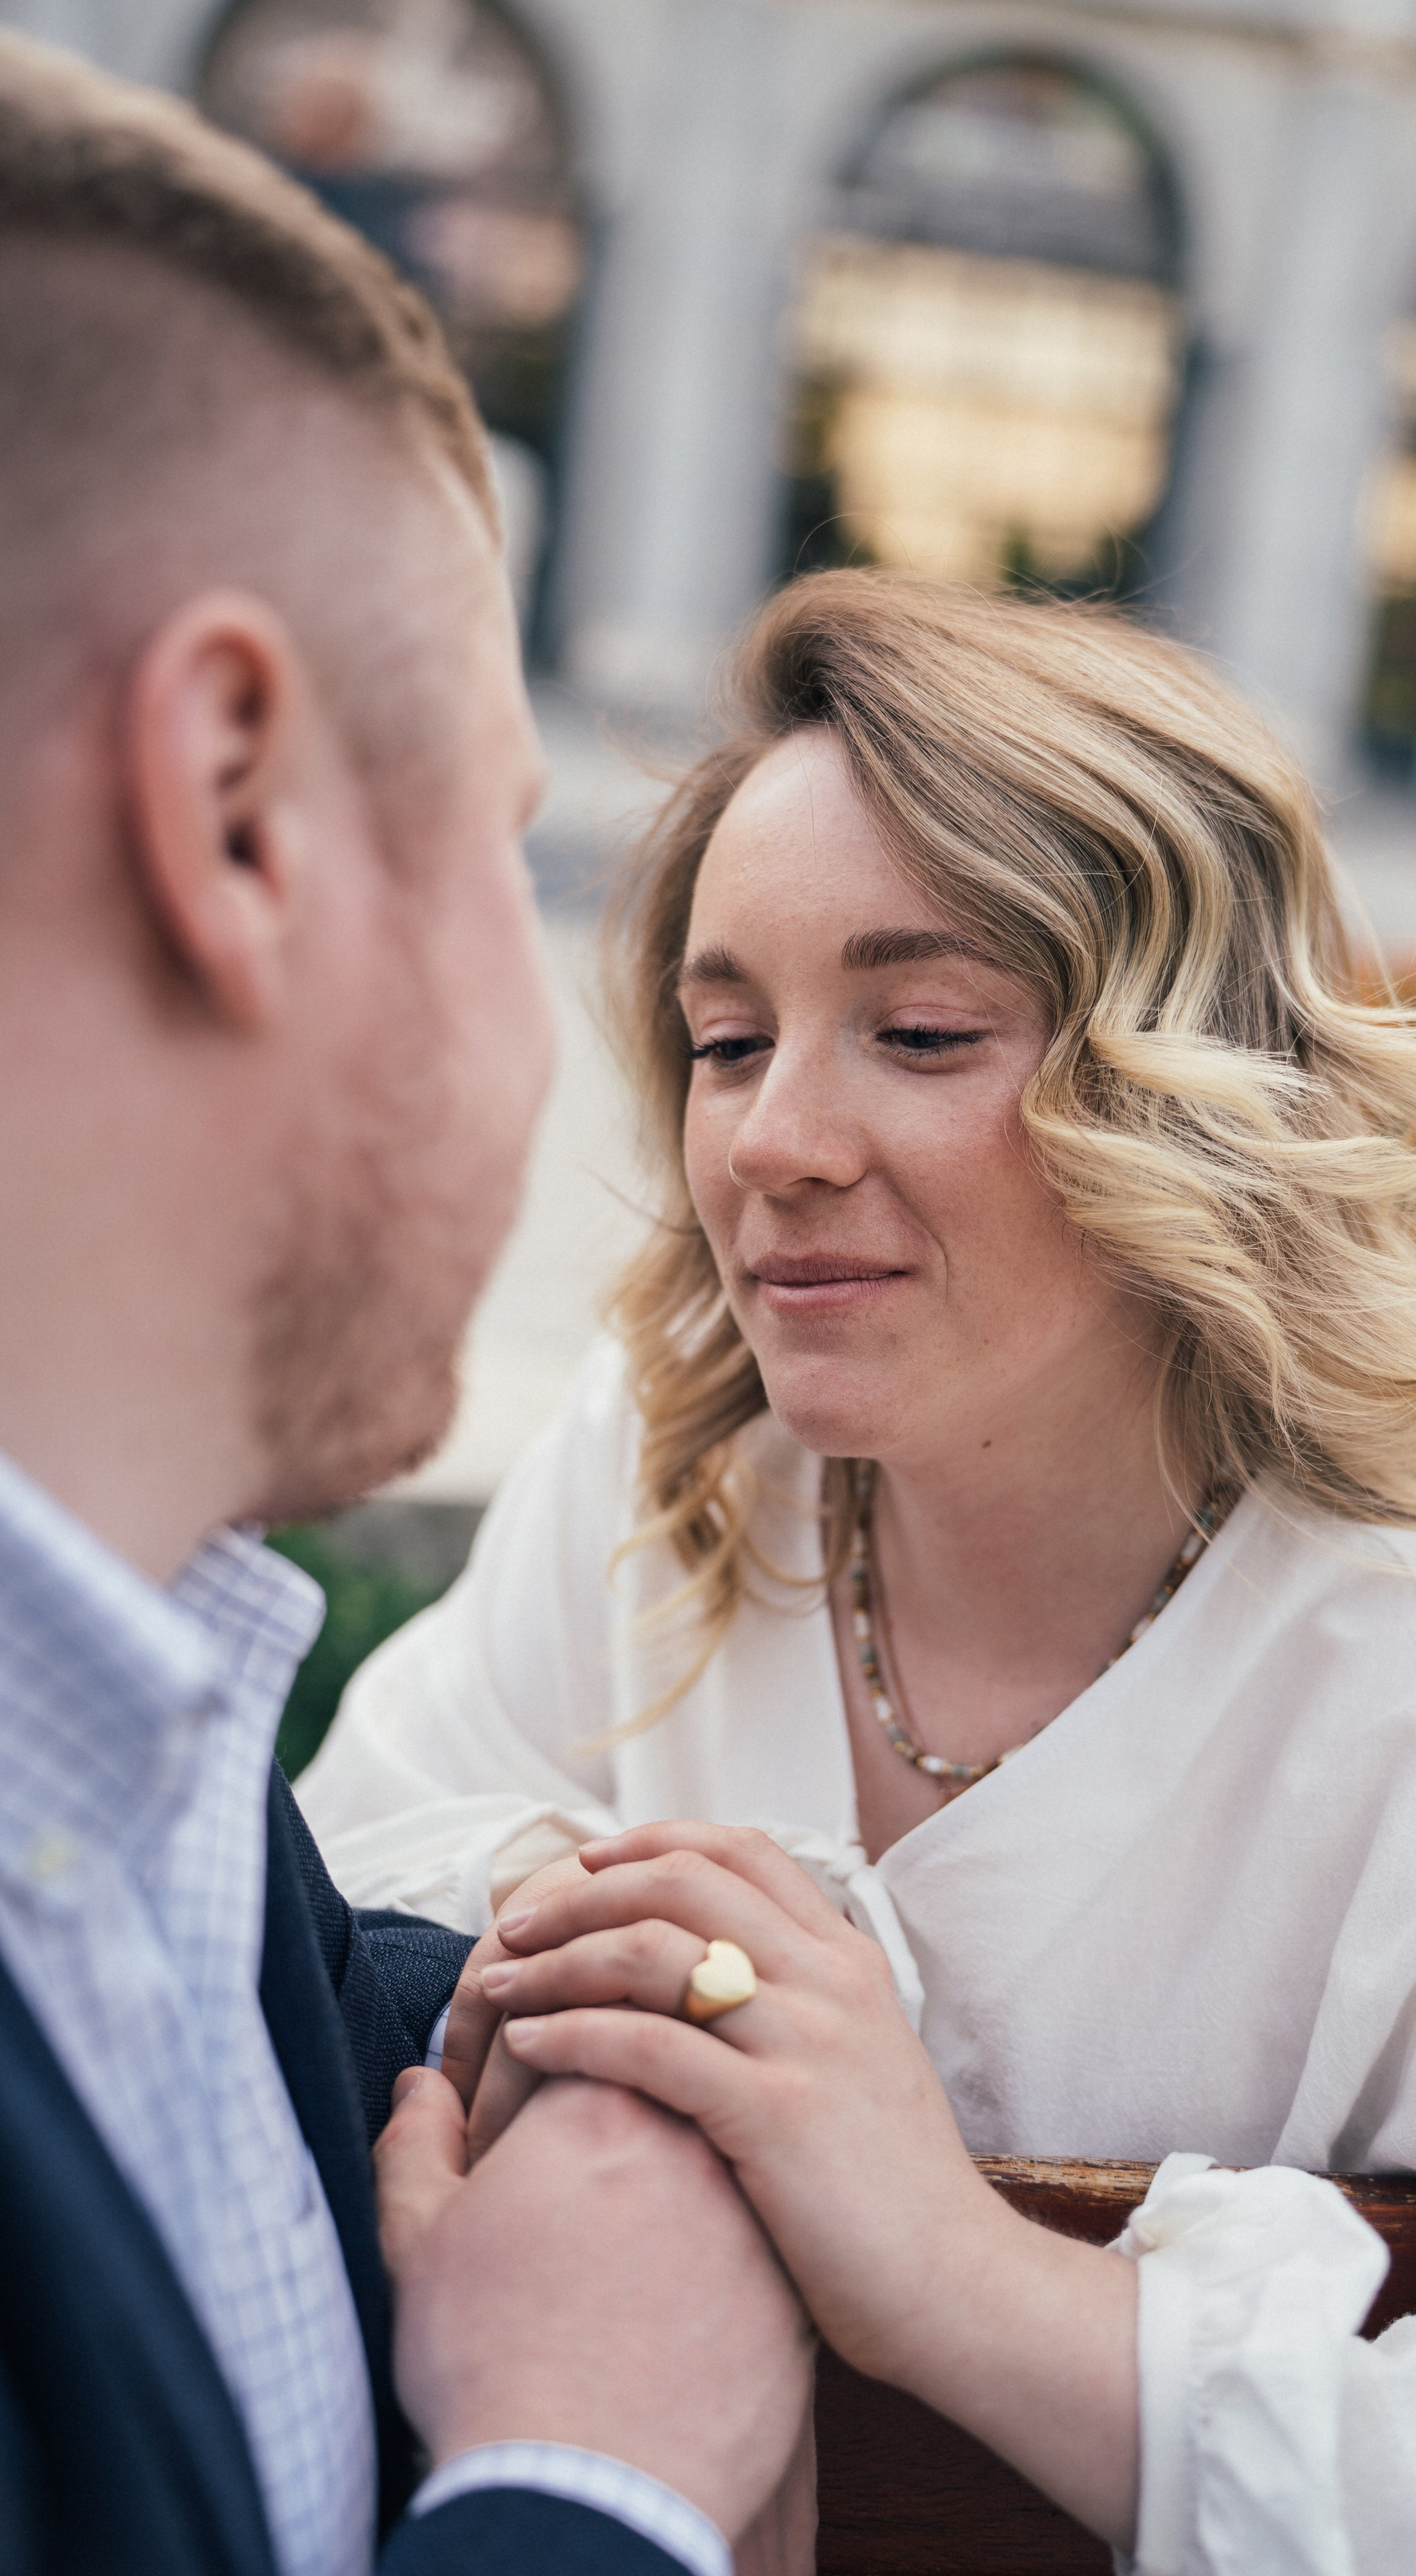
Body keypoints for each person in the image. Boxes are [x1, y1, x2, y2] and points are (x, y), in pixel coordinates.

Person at [305, 572, 1416, 2571]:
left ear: (1192, 1087)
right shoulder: (649, 1493)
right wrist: (654, 1953)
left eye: (921, 1031)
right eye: (727, 1039)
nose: (773, 1140)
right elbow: (301, 1933)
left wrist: (960, 2274)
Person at [0, 34, 812, 2576]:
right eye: (504, 846)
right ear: (237, 810)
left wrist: (588, 2002)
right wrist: (591, 2484)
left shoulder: (122, 1725)